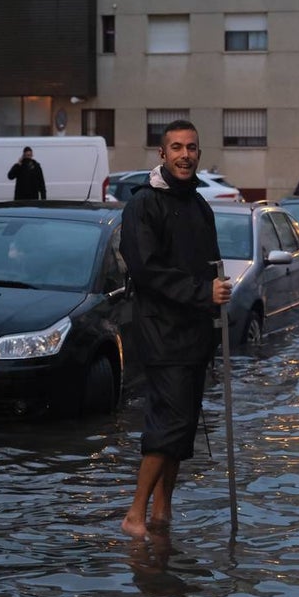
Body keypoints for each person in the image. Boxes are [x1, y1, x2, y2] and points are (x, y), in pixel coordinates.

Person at [119, 119, 232, 538]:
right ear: (161, 155)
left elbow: (209, 267)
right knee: (168, 423)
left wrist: (218, 293)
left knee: (183, 426)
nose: (185, 155)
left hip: (194, 334)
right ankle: (134, 514)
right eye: (177, 148)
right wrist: (204, 292)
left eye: (192, 148)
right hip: (161, 333)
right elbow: (147, 270)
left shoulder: (200, 206)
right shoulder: (143, 205)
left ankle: (162, 509)